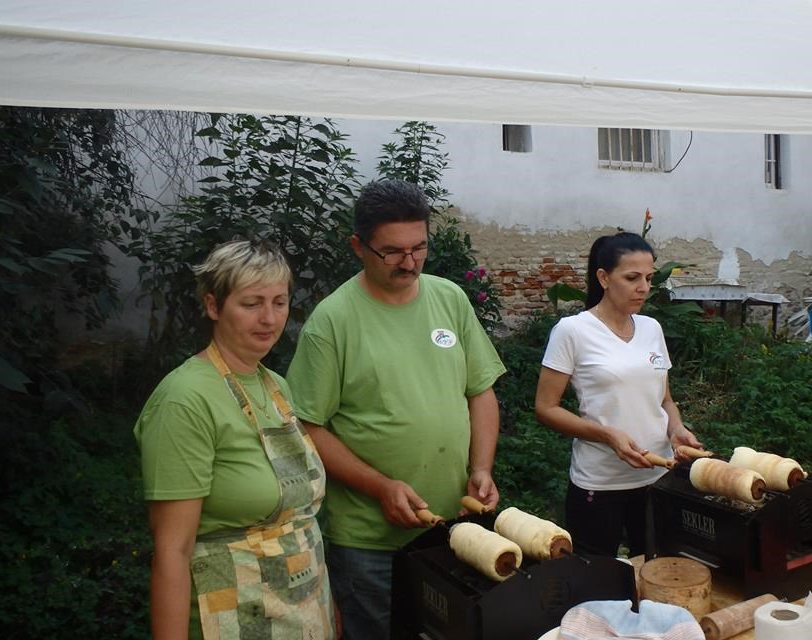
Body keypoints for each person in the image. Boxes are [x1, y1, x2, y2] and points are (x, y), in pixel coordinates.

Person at [286, 179, 506, 640]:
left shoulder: (449, 298)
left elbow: (480, 392)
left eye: (419, 248)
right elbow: (307, 427)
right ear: (357, 246)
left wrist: (481, 467)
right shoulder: (333, 321)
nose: (409, 263)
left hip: (454, 527)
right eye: (392, 251)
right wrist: (381, 486)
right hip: (369, 543)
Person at [134, 239, 336, 640]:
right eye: (251, 303)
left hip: (304, 612)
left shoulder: (275, 385)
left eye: (279, 302)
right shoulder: (185, 400)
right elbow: (172, 551)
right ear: (213, 306)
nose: (269, 318)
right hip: (230, 615)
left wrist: (326, 607)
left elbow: (298, 521)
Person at [534, 232, 702, 558]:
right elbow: (545, 408)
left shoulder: (651, 328)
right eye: (632, 277)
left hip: (657, 476)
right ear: (604, 277)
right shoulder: (573, 331)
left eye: (649, 278)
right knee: (596, 580)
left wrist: (677, 430)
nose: (643, 287)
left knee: (658, 571)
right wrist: (606, 434)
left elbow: (664, 399)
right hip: (600, 482)